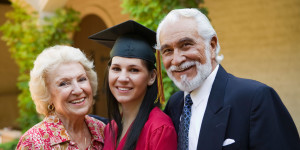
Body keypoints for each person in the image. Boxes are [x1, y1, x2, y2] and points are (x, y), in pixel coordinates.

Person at [156, 8, 300, 150]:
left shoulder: (255, 99)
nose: (176, 60)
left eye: (186, 45)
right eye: (167, 51)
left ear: (212, 46)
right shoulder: (174, 105)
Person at [89, 20, 177, 150]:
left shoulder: (159, 129)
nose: (123, 78)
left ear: (152, 77)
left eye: (134, 70)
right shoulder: (110, 129)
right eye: (116, 69)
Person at [16, 45, 105, 149]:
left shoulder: (101, 130)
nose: (78, 90)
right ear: (47, 94)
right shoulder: (34, 143)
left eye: (82, 79)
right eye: (64, 83)